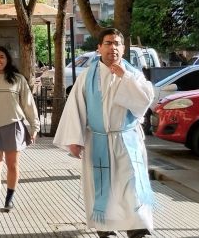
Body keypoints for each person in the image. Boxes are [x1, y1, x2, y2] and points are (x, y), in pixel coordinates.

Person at [53, 28, 155, 238]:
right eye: (108, 43)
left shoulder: (133, 75)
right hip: (98, 140)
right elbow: (75, 108)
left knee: (131, 185)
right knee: (103, 188)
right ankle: (106, 229)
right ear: (99, 48)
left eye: (117, 43)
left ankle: (137, 228)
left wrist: (124, 77)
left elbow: (144, 101)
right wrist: (74, 139)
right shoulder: (86, 78)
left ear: (124, 48)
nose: (113, 48)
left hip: (127, 141)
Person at [0, 46, 40, 218]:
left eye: (1, 57)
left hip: (13, 126)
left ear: (8, 59)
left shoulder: (18, 79)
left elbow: (28, 104)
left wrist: (34, 127)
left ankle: (9, 199)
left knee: (12, 166)